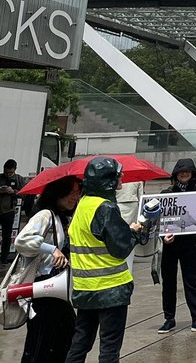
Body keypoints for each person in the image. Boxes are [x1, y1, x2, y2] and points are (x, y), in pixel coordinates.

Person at [64, 156, 144, 363]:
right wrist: (134, 232)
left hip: (85, 288)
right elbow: (120, 247)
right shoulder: (105, 208)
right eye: (118, 175)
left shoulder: (83, 204)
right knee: (109, 348)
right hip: (111, 289)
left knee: (80, 342)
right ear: (108, 180)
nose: (122, 178)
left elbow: (94, 238)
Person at [13, 175, 81, 363]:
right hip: (42, 289)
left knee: (62, 336)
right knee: (41, 341)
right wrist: (52, 250)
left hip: (56, 290)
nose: (75, 197)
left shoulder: (64, 218)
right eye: (70, 192)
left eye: (77, 192)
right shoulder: (45, 215)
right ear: (57, 193)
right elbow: (22, 240)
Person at [156, 158, 196, 333]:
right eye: (181, 172)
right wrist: (163, 236)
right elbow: (158, 219)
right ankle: (169, 318)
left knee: (191, 282)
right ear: (175, 174)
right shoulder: (166, 193)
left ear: (192, 175)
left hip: (189, 244)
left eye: (187, 172)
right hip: (170, 245)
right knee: (169, 283)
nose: (184, 174)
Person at [1, 159, 26, 263]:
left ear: (15, 170)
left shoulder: (19, 179)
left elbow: (24, 194)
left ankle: (4, 258)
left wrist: (13, 192)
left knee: (7, 236)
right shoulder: (0, 177)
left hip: (9, 211)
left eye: (10, 173)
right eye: (6, 172)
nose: (8, 174)